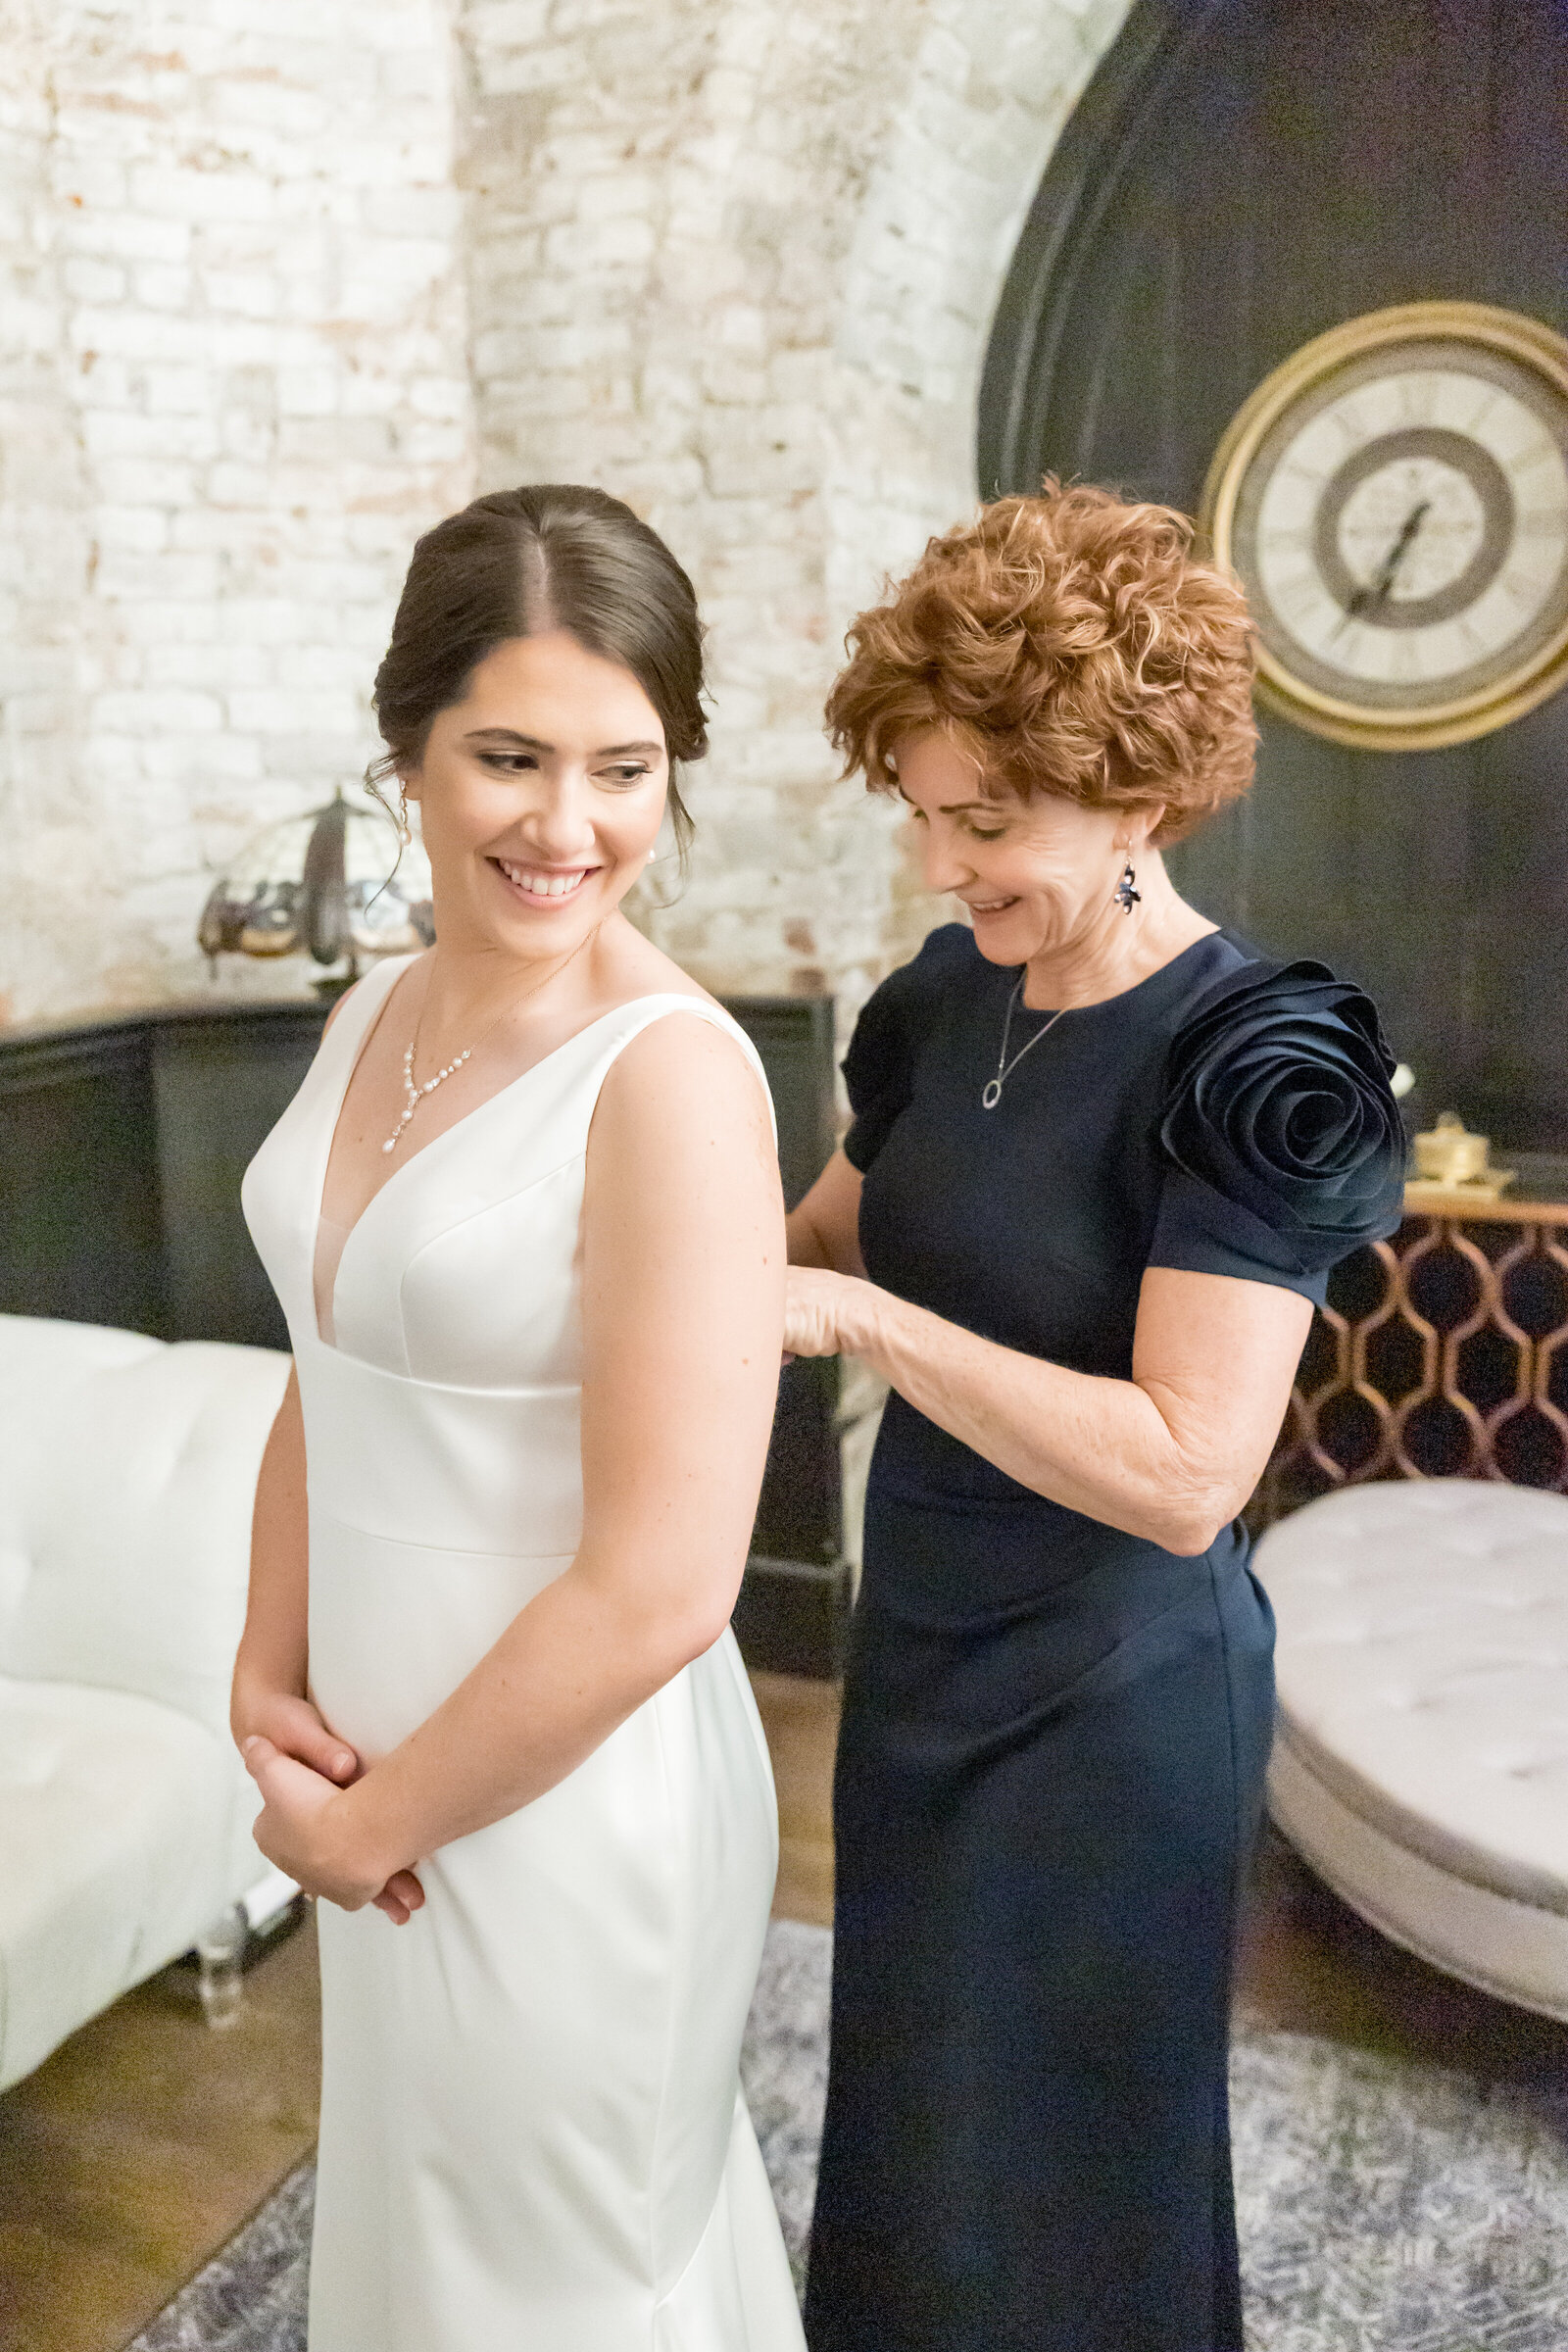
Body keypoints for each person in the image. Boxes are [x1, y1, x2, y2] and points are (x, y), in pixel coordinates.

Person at [784, 481, 1405, 2352]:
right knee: (908, 2140)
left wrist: (866, 1321)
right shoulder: (938, 997)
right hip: (924, 1656)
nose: (936, 864)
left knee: (1068, 2178)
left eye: (986, 821)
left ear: (1136, 790)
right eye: (921, 811)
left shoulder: (1252, 1059)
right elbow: (813, 1235)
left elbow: (1185, 1467)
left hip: (1113, 1700)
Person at [233, 485, 806, 2352]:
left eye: (625, 768)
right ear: (406, 751)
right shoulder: (368, 1016)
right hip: (375, 1763)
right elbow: (334, 1371)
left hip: (572, 1802)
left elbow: (661, 1587)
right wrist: (267, 1674)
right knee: (423, 2244)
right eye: (508, 757)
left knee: (563, 2289)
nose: (571, 828)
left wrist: (371, 1817)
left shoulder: (673, 1084)